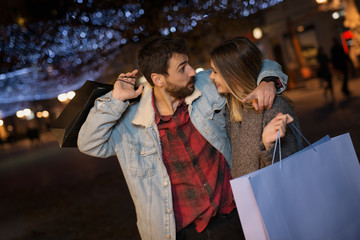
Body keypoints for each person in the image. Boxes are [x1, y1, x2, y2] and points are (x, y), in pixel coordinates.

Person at [77, 36, 287, 240]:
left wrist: (267, 81)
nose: (192, 71)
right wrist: (115, 100)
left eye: (189, 63)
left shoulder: (205, 84)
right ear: (158, 79)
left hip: (234, 217)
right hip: (182, 233)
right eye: (182, 67)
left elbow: (251, 63)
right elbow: (88, 143)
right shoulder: (131, 122)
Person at [209, 37, 303, 178]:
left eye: (215, 71)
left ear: (233, 74)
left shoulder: (275, 108)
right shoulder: (233, 108)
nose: (210, 76)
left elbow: (292, 170)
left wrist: (268, 146)